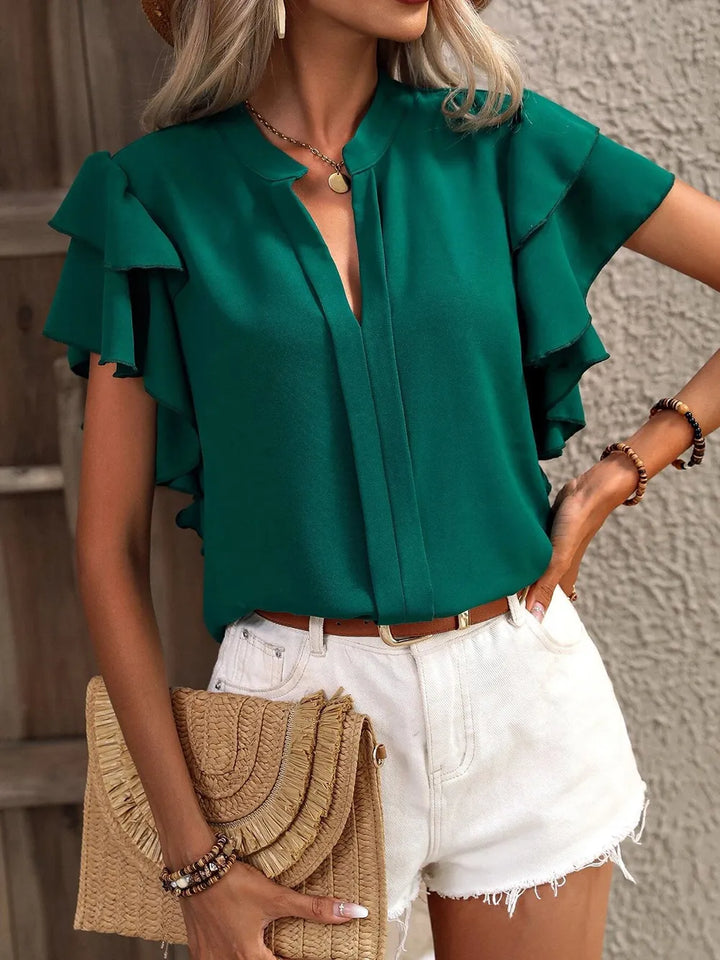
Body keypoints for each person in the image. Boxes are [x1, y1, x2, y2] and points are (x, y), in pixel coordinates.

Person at [41, 1, 720, 959]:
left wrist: (621, 472)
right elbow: (106, 551)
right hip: (296, 715)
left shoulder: (496, 140)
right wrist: (192, 861)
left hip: (520, 689)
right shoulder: (153, 194)